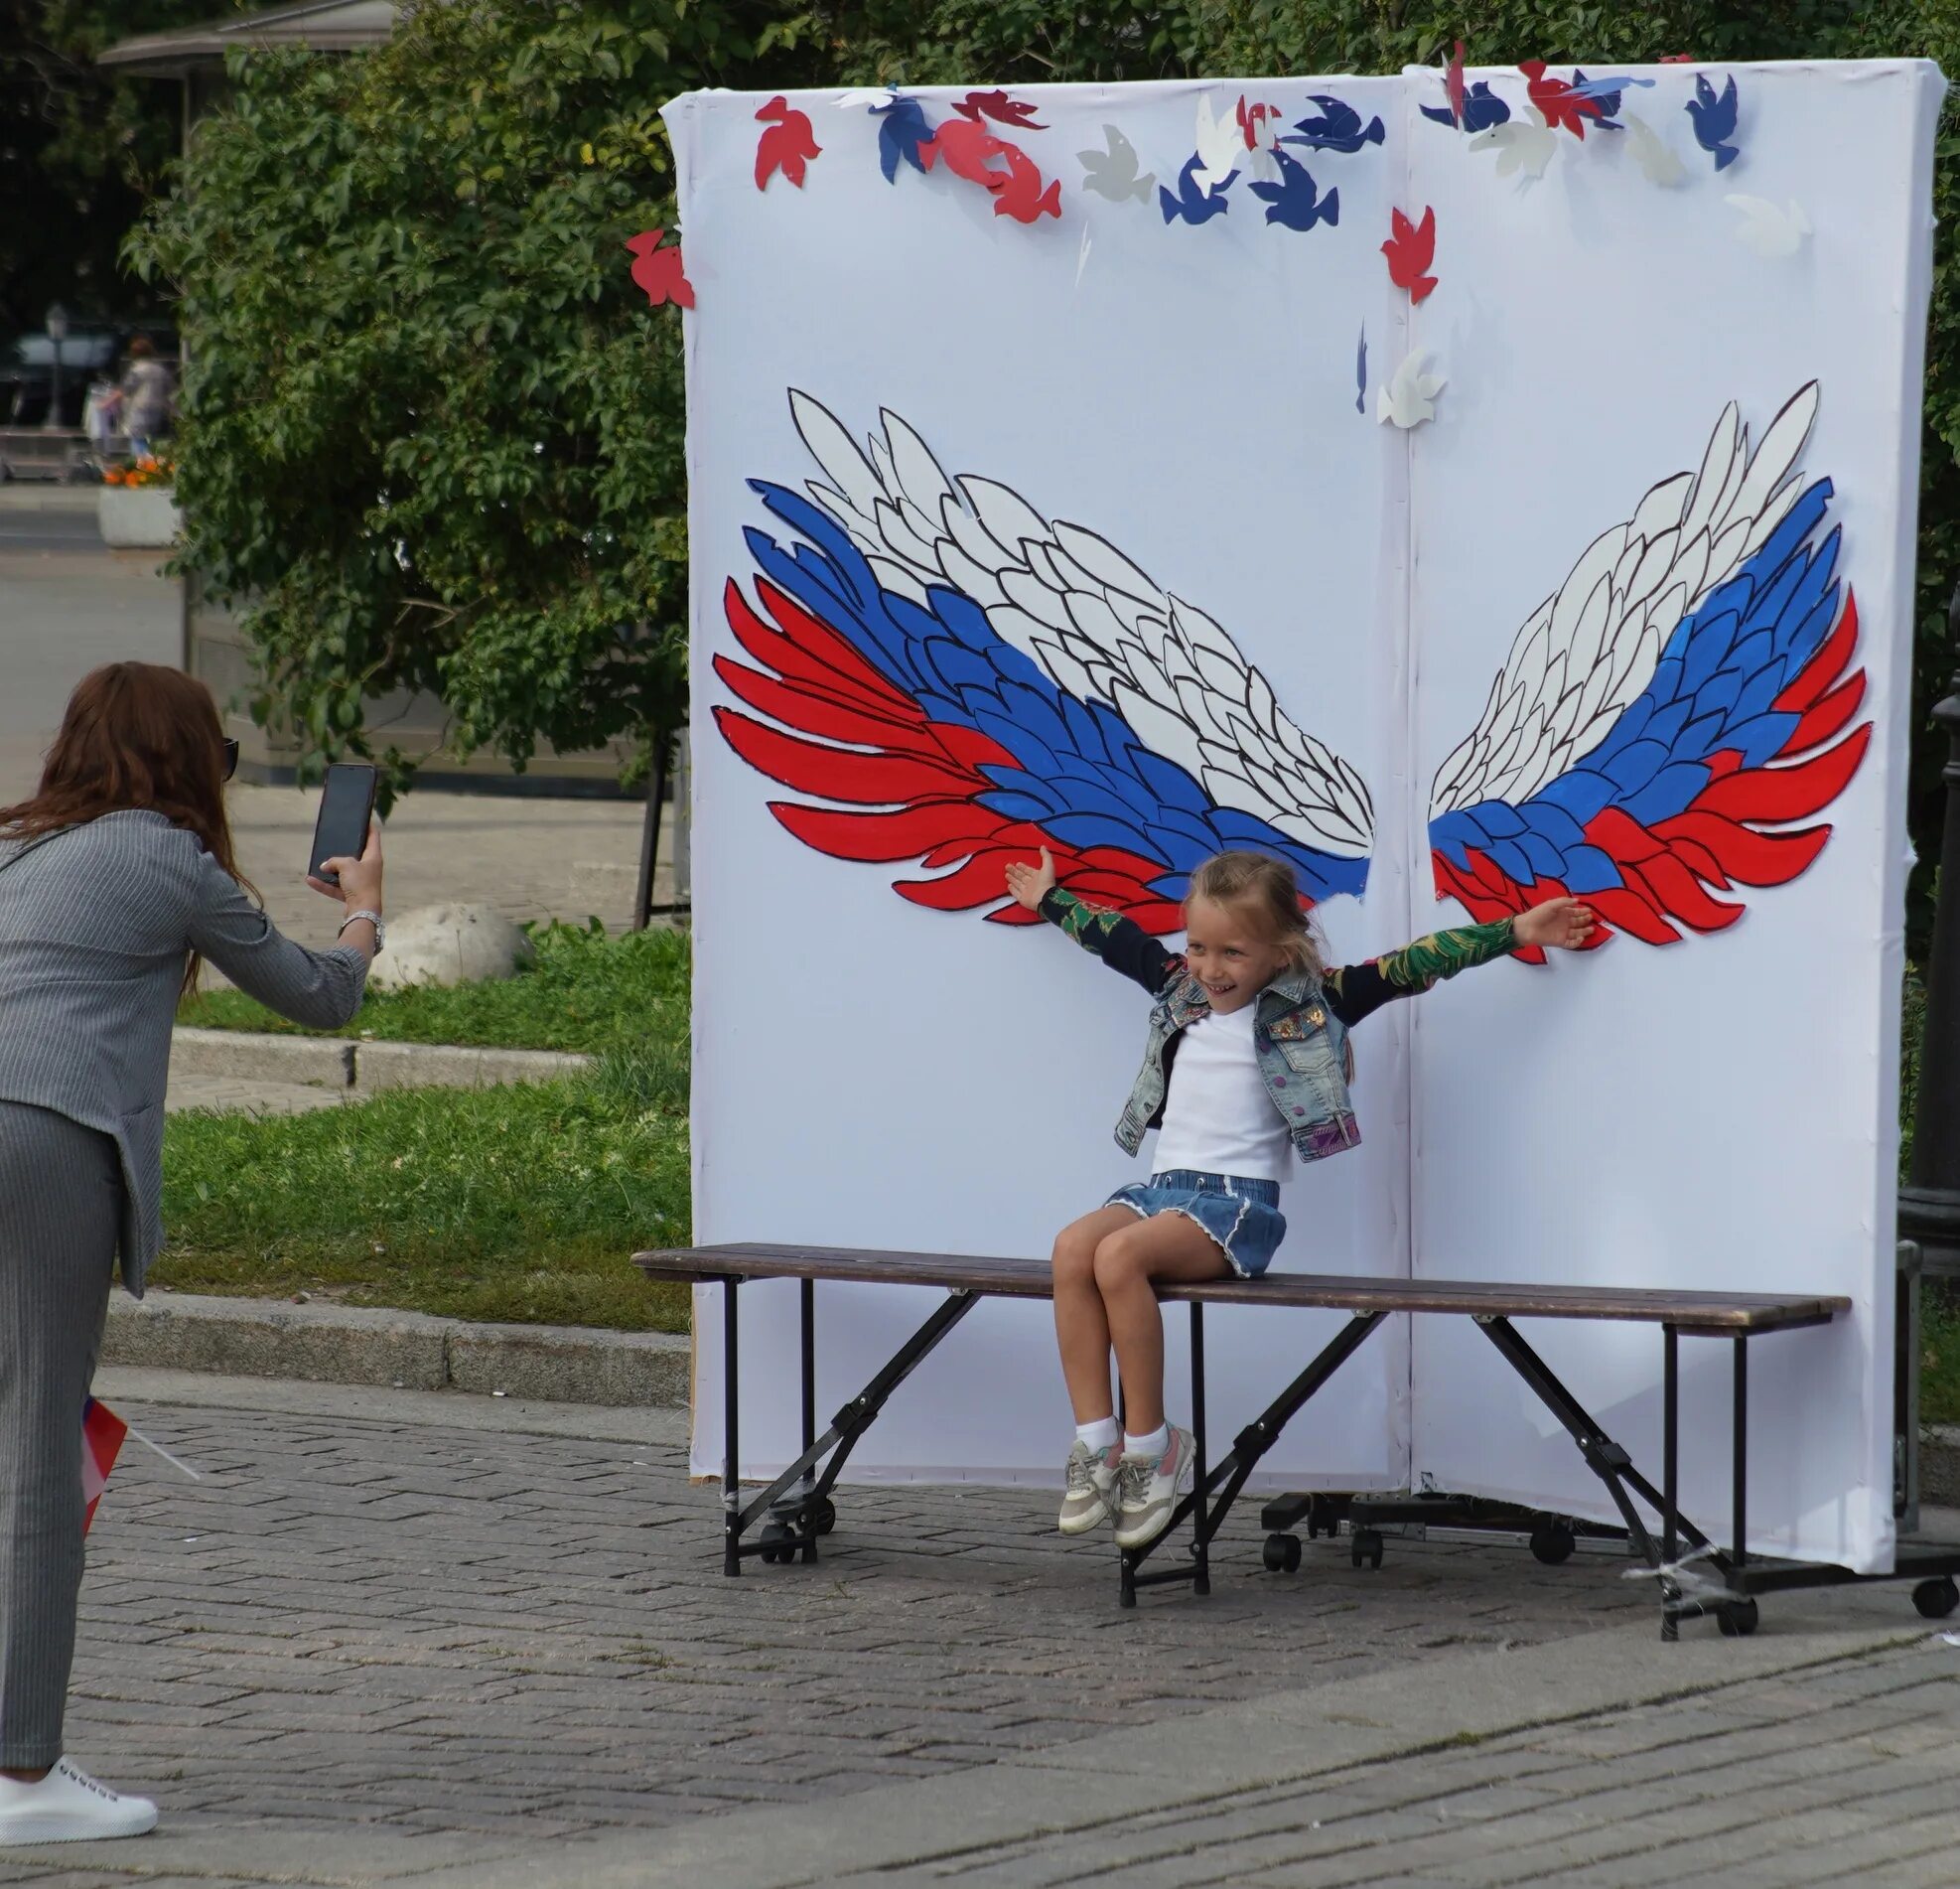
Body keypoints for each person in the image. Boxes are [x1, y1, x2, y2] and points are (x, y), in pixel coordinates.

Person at [0, 663, 386, 1845]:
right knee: (35, 1448)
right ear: (180, 763)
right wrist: (365, 906)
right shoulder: (169, 860)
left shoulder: (13, 851)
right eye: (215, 759)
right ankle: (21, 1779)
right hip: (46, 1138)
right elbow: (322, 997)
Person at [1001, 846, 1595, 1553]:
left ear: (1281, 954)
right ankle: (1096, 1442)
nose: (1210, 969)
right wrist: (1049, 900)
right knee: (1073, 1248)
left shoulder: (1318, 1005)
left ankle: (1153, 1446)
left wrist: (1517, 933)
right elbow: (1116, 939)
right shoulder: (1177, 989)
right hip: (1161, 1191)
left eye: (1232, 953)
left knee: (1119, 1258)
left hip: (1235, 1212)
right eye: (1197, 947)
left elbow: (1414, 963)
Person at [112, 338, 174, 459]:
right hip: (157, 410)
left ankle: (140, 467)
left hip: (139, 410)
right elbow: (170, 389)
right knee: (153, 441)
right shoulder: (160, 370)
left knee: (137, 440)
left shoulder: (137, 370)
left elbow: (126, 389)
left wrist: (106, 402)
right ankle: (152, 466)